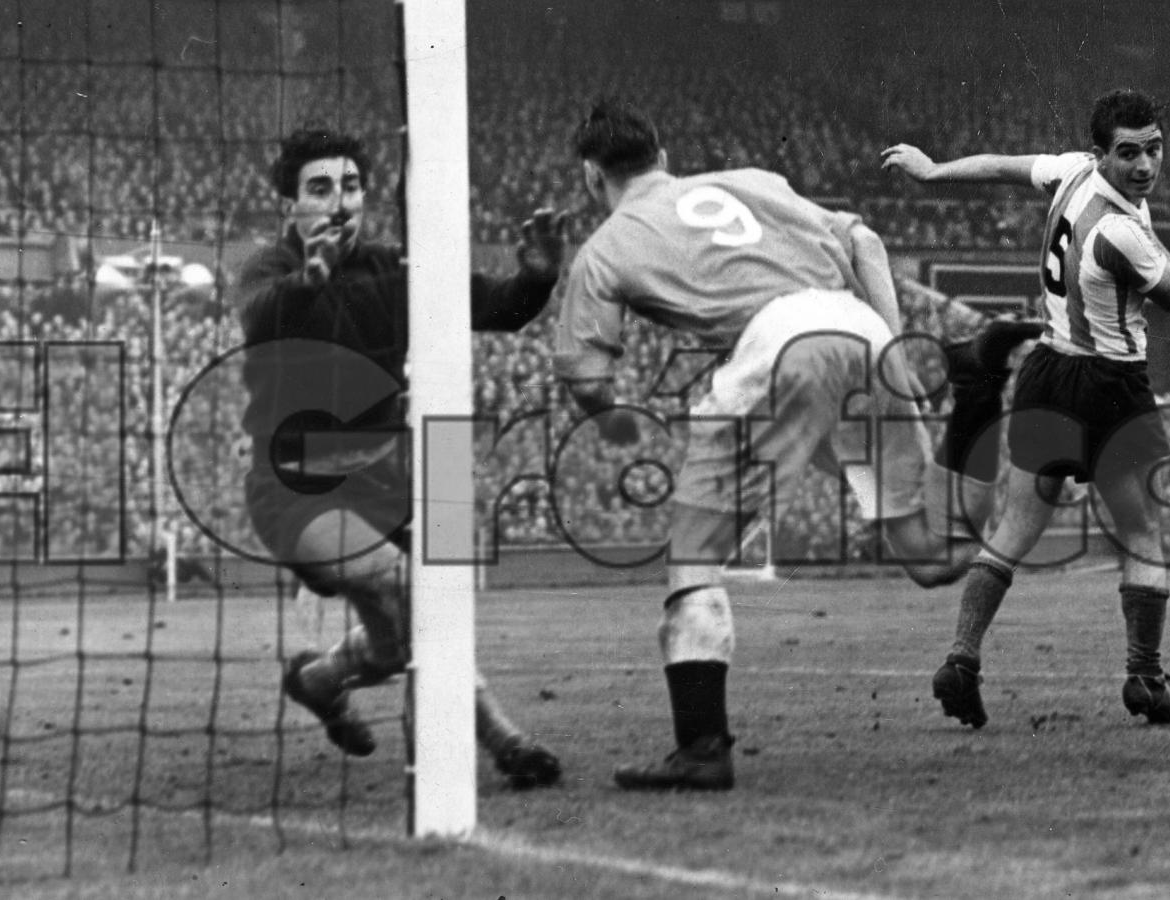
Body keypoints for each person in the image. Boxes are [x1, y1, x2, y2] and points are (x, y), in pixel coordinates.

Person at [555, 98, 1038, 790]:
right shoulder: (750, 180)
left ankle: (700, 749)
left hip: (781, 342)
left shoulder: (604, 247)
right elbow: (865, 245)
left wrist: (618, 421)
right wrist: (894, 353)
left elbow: (590, 383)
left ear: (587, 177)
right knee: (936, 558)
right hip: (860, 328)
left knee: (691, 555)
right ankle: (980, 388)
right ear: (662, 157)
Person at [237, 127, 565, 788]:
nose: (338, 201)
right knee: (410, 590)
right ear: (291, 204)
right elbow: (263, 320)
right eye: (319, 188)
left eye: (350, 186)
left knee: (398, 641)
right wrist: (312, 278)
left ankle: (317, 679)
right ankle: (503, 738)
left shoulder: (397, 268)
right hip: (301, 482)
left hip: (404, 462)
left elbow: (497, 309)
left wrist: (536, 277)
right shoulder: (268, 269)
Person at [881, 88, 1170, 728]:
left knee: (1014, 531)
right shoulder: (1123, 232)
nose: (1144, 166)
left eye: (1154, 150)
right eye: (1129, 153)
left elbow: (1002, 164)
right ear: (1101, 153)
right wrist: (1155, 263)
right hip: (1112, 382)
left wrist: (934, 168)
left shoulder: (1068, 170)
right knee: (1141, 531)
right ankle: (1144, 677)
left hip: (1047, 373)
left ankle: (961, 659)